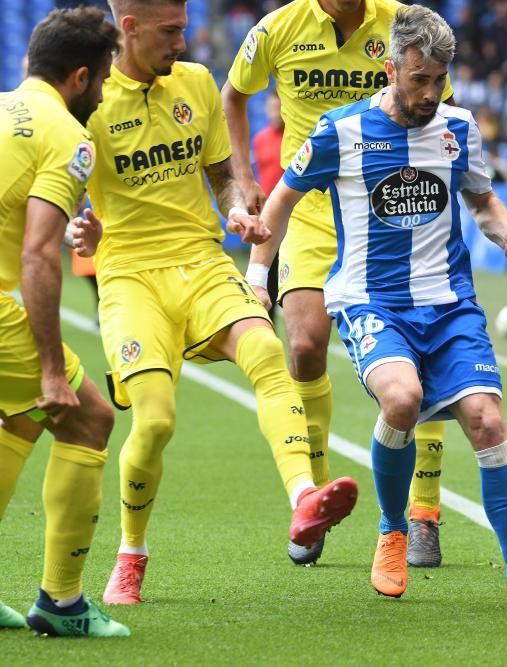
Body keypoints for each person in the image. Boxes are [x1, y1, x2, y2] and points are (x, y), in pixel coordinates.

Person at [253, 5, 507, 608]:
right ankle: (393, 532)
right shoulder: (340, 131)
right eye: (418, 79)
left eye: (439, 80)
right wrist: (259, 274)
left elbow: (484, 201)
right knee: (402, 398)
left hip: (449, 304)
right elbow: (280, 202)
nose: (429, 92)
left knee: (489, 423)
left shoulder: (459, 129)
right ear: (390, 67)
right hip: (372, 301)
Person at [87, 0, 358, 606]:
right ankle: (131, 553)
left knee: (267, 348)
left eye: (184, 27)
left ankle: (302, 500)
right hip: (131, 275)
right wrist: (82, 228)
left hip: (204, 261)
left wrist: (237, 204)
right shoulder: (91, 100)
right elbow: (64, 188)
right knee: (154, 420)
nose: (184, 40)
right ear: (128, 29)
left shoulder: (197, 84)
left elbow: (221, 175)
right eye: (171, 31)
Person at [222, 0, 454, 569]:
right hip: (311, 212)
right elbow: (233, 94)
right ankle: (316, 503)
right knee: (301, 347)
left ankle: (423, 513)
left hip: (391, 209)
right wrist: (244, 175)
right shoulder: (277, 28)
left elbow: (440, 106)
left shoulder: (402, 22)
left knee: (418, 362)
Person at [0, 7, 129, 637]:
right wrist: (52, 367)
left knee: (15, 416)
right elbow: (35, 254)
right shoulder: (69, 136)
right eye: (103, 79)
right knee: (88, 416)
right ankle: (63, 601)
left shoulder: (2, 106)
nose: (104, 92)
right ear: (80, 77)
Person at [252, 91, 285, 317]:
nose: (274, 112)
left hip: (293, 219)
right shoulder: (260, 139)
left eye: (278, 107)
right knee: (266, 283)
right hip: (267, 220)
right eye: (271, 107)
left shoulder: (294, 137)